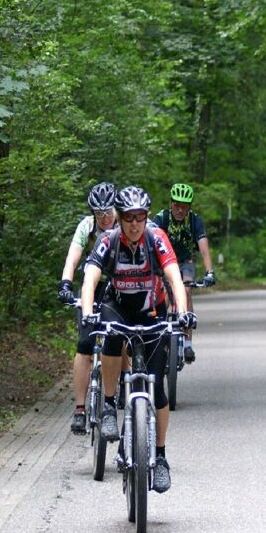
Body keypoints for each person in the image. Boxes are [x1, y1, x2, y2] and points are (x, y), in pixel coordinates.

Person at [79, 186, 195, 493]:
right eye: (129, 218)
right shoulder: (109, 240)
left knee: (157, 388)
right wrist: (88, 313)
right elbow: (90, 278)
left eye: (140, 217)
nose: (134, 224)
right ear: (119, 218)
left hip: (152, 311)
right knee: (111, 338)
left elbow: (173, 275)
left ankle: (160, 456)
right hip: (117, 307)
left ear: (146, 217)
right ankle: (106, 405)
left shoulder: (157, 238)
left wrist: (182, 312)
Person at [59, 182, 118, 434]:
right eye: (99, 213)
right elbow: (73, 256)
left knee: (120, 340)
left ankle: (115, 394)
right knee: (84, 346)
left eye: (108, 212)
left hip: (117, 287)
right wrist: (65, 283)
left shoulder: (124, 223)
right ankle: (80, 409)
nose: (104, 218)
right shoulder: (87, 226)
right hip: (91, 288)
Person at [151, 182, 215, 364]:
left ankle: (187, 341)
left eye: (184, 206)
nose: (180, 210)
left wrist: (210, 271)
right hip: (163, 263)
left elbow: (203, 248)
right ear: (171, 203)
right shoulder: (160, 219)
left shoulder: (195, 221)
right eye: (177, 205)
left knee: (185, 289)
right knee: (165, 296)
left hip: (186, 262)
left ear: (189, 207)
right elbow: (149, 243)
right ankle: (161, 336)